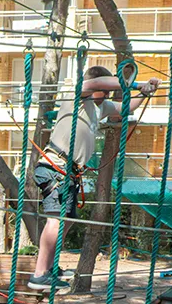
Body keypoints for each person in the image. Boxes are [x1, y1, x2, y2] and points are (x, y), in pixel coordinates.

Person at [28, 66, 160, 290]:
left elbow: (124, 108)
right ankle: (39, 274)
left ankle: (49, 267)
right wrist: (134, 84)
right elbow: (98, 84)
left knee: (67, 221)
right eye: (105, 90)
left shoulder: (100, 107)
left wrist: (144, 93)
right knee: (56, 220)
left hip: (67, 172)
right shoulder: (78, 96)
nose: (107, 95)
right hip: (54, 167)